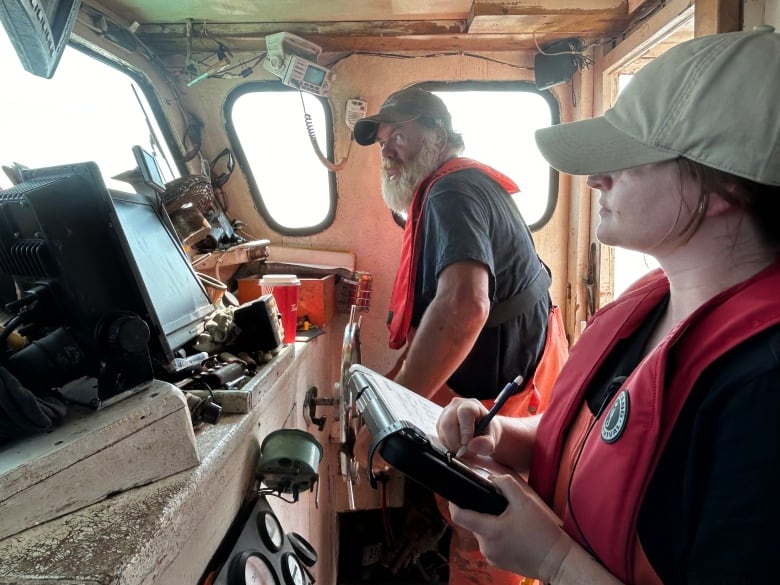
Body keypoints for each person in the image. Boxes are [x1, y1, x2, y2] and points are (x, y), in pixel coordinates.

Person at [436, 25, 780, 585]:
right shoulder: (653, 307)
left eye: (629, 157)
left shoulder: (763, 388)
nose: (596, 178)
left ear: (726, 188)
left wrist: (551, 559)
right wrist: (506, 436)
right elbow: (602, 439)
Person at [354, 88, 569, 585]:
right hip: (496, 391)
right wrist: (387, 384)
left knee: (491, 548)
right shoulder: (451, 189)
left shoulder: (452, 193)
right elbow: (436, 312)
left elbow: (463, 307)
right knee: (475, 531)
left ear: (440, 135)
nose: (386, 148)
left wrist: (392, 413)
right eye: (383, 141)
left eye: (399, 134)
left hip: (505, 404)